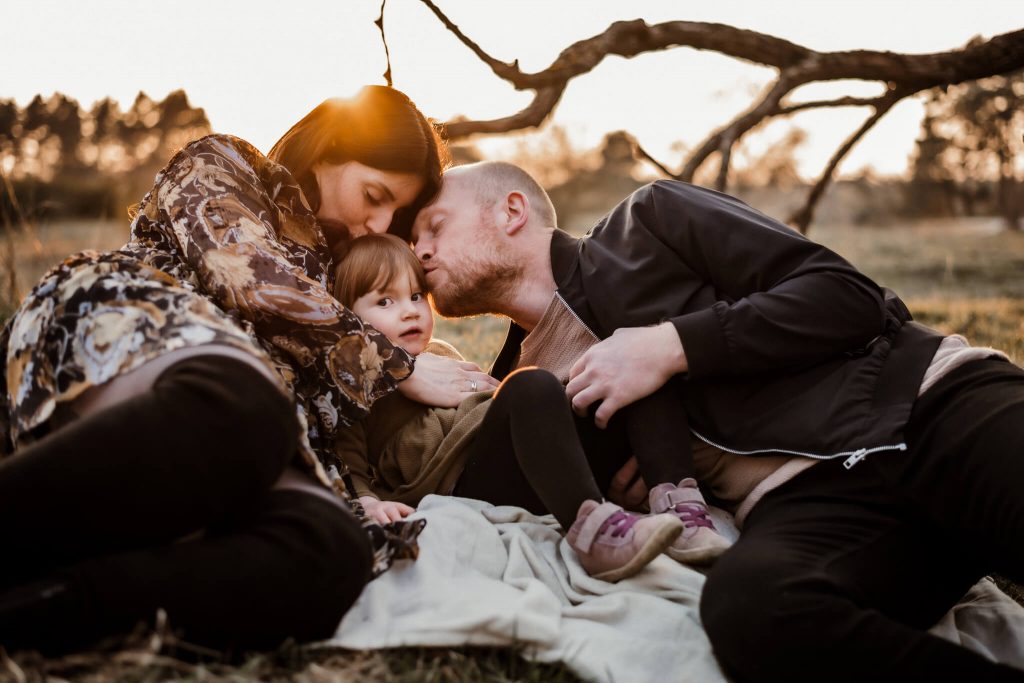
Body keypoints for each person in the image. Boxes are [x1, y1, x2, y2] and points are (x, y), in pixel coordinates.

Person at [407, 160, 1024, 682]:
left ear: (511, 211)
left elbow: (849, 296)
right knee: (749, 612)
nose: (419, 251)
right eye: (412, 241)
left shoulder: (650, 220)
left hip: (929, 402)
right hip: (811, 508)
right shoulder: (521, 388)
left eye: (434, 227)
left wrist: (671, 346)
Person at [0, 85, 497, 655]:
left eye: (394, 213)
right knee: (244, 408)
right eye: (374, 194)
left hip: (253, 430)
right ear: (333, 143)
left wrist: (353, 494)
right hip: (119, 324)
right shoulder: (226, 164)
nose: (377, 222)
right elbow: (245, 272)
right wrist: (395, 365)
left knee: (329, 549)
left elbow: (318, 413)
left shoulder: (346, 268)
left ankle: (35, 608)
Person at [331, 233, 686, 581]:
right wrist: (367, 502)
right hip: (464, 480)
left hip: (520, 463)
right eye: (385, 302)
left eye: (415, 295)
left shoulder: (441, 355)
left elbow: (481, 404)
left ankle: (680, 501)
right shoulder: (358, 381)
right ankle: (597, 537)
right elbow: (346, 457)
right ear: (348, 319)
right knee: (532, 385)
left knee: (622, 374)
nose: (410, 311)